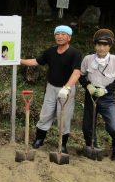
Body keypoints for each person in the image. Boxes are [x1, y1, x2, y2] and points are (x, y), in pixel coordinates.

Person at [20, 25, 81, 153]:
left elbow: (76, 73)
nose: (59, 36)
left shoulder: (74, 53)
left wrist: (66, 88)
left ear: (69, 37)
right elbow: (36, 61)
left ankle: (62, 144)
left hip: (66, 89)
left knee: (63, 116)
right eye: (57, 34)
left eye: (63, 34)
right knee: (46, 113)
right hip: (51, 88)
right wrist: (19, 60)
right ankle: (39, 139)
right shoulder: (50, 52)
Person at [79, 29, 115, 161]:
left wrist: (105, 90)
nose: (101, 47)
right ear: (95, 45)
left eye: (105, 45)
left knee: (113, 127)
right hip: (91, 95)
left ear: (109, 46)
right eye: (98, 44)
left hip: (107, 97)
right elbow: (82, 76)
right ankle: (91, 146)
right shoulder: (88, 59)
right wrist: (87, 85)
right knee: (87, 126)